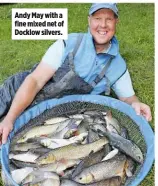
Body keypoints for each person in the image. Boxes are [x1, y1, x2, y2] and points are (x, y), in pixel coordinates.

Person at [0, 3, 152, 145]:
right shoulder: (68, 43)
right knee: (6, 122)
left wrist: (135, 104)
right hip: (20, 91)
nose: (103, 25)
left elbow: (127, 97)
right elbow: (35, 80)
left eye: (109, 19)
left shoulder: (118, 65)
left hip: (53, 114)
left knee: (14, 139)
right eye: (97, 18)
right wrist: (10, 118)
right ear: (89, 20)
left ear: (116, 22)